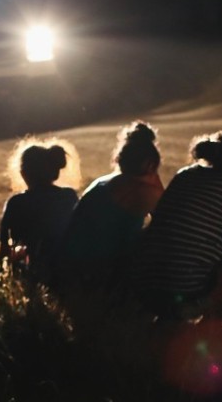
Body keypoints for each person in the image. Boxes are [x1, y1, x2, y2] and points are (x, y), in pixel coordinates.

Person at [128, 129, 222, 322]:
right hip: (186, 288)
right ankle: (207, 327)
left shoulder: (184, 175)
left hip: (144, 282)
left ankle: (167, 321)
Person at [57, 120, 164, 294]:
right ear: (151, 165)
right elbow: (168, 220)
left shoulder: (103, 182)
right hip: (97, 277)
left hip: (68, 270)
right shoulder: (142, 192)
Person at [0, 138, 80, 285]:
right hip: (70, 274)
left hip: (35, 277)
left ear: (23, 173)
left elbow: (4, 255)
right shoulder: (69, 196)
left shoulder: (17, 203)